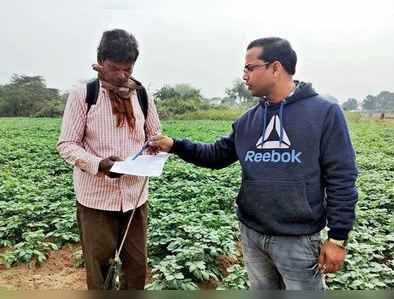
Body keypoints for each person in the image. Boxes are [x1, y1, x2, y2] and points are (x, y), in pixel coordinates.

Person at [147, 37, 358, 290]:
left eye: (250, 68)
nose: (244, 76)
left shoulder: (324, 113)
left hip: (298, 239)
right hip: (252, 235)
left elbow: (342, 177)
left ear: (276, 68)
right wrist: (175, 145)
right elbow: (217, 155)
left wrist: (337, 238)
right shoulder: (249, 120)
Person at [57, 29, 160, 289]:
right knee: (100, 269)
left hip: (135, 198)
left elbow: (154, 135)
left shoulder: (141, 94)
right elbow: (67, 145)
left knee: (136, 267)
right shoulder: (84, 95)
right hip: (96, 199)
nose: (122, 75)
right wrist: (100, 164)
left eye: (128, 68)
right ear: (100, 61)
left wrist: (154, 149)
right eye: (115, 68)